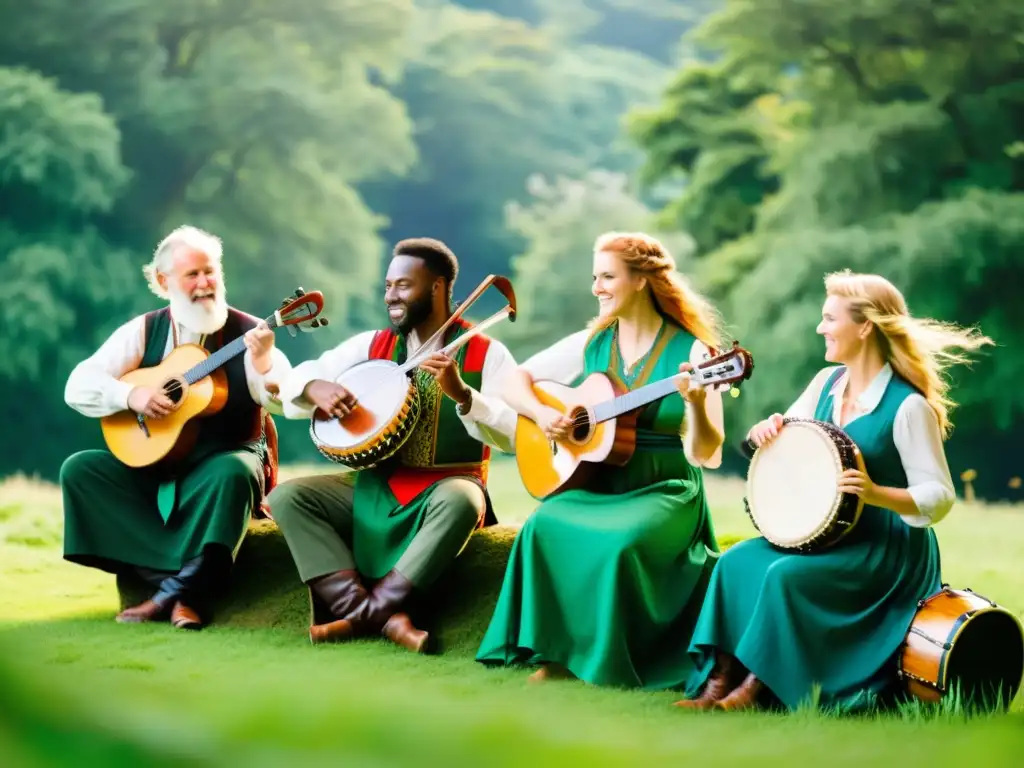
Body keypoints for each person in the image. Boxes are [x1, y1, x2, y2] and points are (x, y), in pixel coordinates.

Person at [674, 270, 994, 713]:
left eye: (830, 318)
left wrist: (876, 492)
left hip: (883, 548)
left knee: (785, 577)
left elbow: (939, 496)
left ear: (864, 326)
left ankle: (755, 689)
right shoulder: (824, 384)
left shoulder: (909, 406)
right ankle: (718, 681)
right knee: (735, 563)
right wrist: (768, 429)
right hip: (824, 535)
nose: (821, 327)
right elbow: (792, 443)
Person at [475, 231, 727, 688]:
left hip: (665, 487)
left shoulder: (695, 353)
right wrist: (543, 413)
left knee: (621, 542)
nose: (597, 287)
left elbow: (708, 453)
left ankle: (608, 661)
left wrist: (693, 401)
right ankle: (554, 654)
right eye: (595, 277)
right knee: (543, 524)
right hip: (602, 481)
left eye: (608, 276)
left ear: (642, 281)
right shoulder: (590, 342)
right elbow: (515, 381)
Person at [268, 237, 519, 653]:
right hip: (375, 485)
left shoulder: (487, 353)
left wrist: (464, 396)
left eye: (403, 285)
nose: (391, 296)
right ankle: (379, 615)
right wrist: (315, 386)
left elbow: (513, 434)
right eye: (388, 286)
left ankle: (360, 618)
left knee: (463, 501)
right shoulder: (372, 346)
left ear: (437, 288)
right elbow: (299, 377)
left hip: (446, 485)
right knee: (290, 497)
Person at [61, 225, 292, 630]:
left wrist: (264, 363)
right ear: (164, 281)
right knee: (81, 470)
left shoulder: (251, 332)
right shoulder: (143, 330)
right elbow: (77, 386)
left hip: (223, 461)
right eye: (192, 275)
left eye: (210, 272)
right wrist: (130, 397)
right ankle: (182, 588)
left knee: (232, 472)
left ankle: (170, 595)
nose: (205, 283)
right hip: (154, 461)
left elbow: (284, 399)